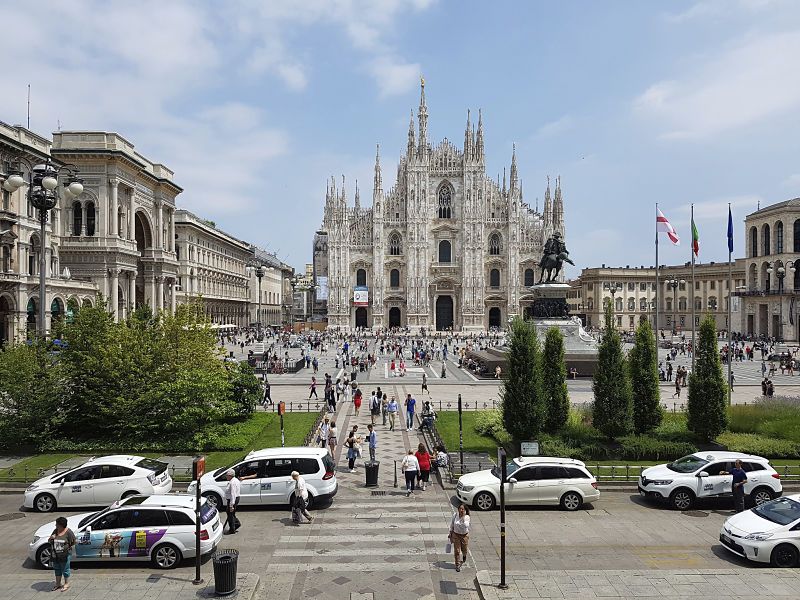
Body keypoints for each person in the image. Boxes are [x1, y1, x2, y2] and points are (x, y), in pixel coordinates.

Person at [49, 516, 76, 591]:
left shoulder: (68, 532)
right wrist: (51, 538)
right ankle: (58, 583)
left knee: (65, 569)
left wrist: (67, 548)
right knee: (57, 568)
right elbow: (49, 541)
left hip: (65, 555)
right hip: (55, 554)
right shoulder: (55, 531)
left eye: (57, 524)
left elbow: (73, 542)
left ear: (61, 525)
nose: (55, 526)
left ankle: (66, 583)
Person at [449, 503, 471, 572]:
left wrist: (463, 518)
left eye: (462, 509)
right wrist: (450, 532)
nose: (461, 510)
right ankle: (457, 564)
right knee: (457, 551)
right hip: (456, 535)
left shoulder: (467, 517)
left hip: (464, 535)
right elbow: (452, 524)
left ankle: (464, 555)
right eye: (460, 509)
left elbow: (466, 526)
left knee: (464, 549)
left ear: (465, 510)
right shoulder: (455, 515)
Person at [224, 470, 241, 534]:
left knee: (230, 514)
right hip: (234, 499)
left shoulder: (232, 483)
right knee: (231, 514)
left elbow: (233, 494)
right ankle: (236, 524)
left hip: (232, 499)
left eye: (227, 475)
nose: (226, 476)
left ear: (230, 476)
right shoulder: (235, 480)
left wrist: (231, 505)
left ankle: (232, 529)